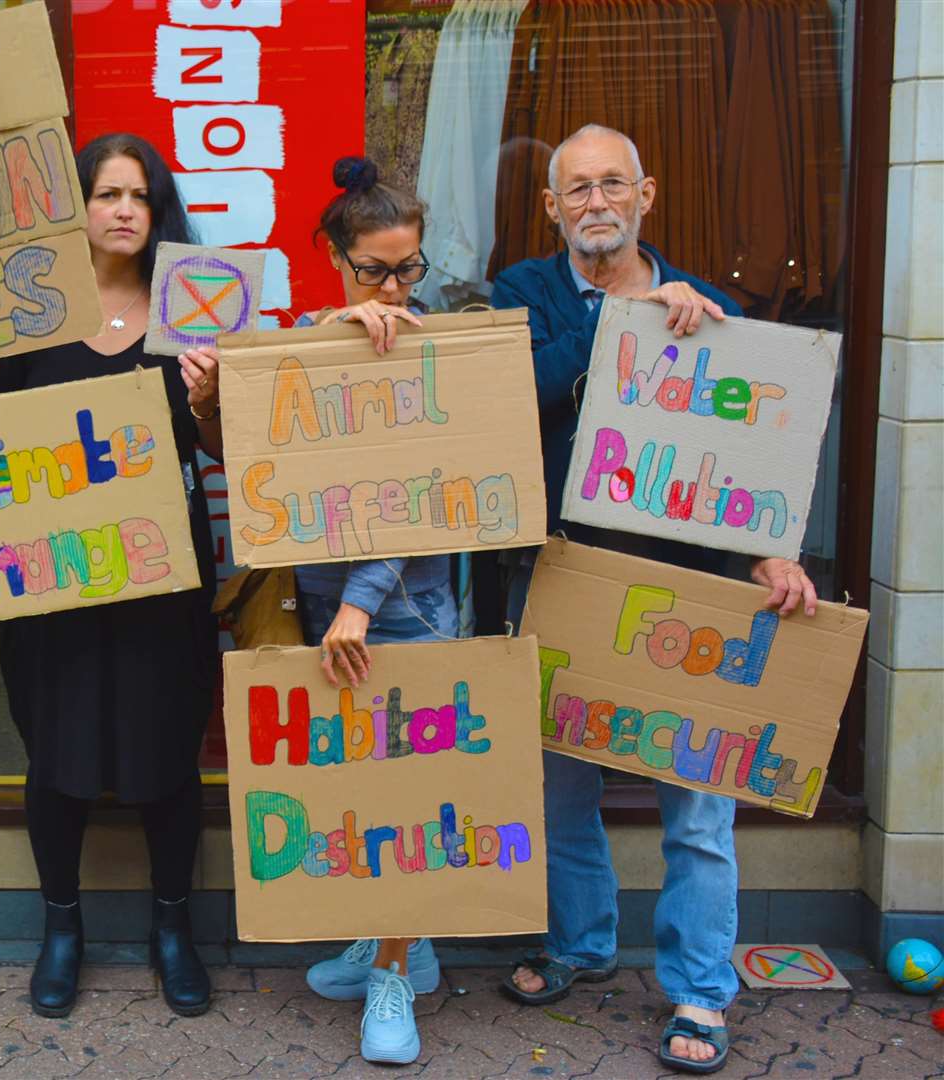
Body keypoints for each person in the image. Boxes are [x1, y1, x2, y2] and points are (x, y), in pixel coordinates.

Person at [489, 123, 819, 1075]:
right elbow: (519, 396)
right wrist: (618, 325)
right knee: (562, 792)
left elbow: (753, 452)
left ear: (647, 195)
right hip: (562, 577)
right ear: (552, 208)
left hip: (691, 592)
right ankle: (582, 949)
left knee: (699, 809)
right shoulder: (523, 293)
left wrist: (771, 554)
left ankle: (701, 990)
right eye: (577, 190)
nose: (596, 202)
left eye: (612, 185)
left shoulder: (711, 311)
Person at [178, 155, 452, 1066]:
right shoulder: (304, 336)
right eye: (375, 268)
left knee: (404, 799)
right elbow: (248, 464)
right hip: (323, 604)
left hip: (404, 612)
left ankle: (392, 976)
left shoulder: (434, 345)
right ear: (335, 259)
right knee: (349, 792)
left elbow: (426, 488)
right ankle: (400, 948)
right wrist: (215, 397)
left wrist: (364, 605)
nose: (394, 286)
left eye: (409, 266)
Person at [0, 134, 220, 1020]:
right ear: (80, 207)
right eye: (107, 194)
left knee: (168, 755)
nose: (124, 210)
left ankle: (172, 930)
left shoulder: (194, 312)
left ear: (159, 207)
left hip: (161, 576)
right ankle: (62, 929)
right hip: (46, 581)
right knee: (54, 755)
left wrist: (210, 402)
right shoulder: (29, 317)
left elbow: (234, 453)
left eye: (139, 194)